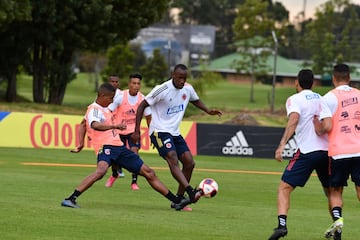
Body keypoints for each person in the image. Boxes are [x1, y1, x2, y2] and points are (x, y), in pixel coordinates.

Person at [61, 82, 188, 210]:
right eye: (110, 98)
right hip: (106, 147)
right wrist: (114, 126)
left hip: (119, 147)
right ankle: (71, 198)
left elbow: (83, 124)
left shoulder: (106, 109)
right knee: (101, 171)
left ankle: (176, 201)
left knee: (149, 173)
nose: (111, 101)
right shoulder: (94, 109)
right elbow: (94, 125)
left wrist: (81, 144)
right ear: (102, 96)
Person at [131, 64, 222, 210]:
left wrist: (207, 110)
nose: (182, 81)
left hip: (174, 132)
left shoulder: (188, 88)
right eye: (179, 78)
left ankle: (179, 200)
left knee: (189, 163)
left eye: (184, 78)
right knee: (172, 158)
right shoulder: (162, 89)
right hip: (158, 131)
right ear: (173, 75)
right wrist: (136, 131)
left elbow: (195, 99)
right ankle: (190, 191)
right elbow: (142, 105)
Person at [268, 69, 330, 240]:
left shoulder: (294, 99)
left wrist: (282, 145)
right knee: (332, 191)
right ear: (313, 83)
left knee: (284, 187)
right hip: (326, 152)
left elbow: (294, 119)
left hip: (307, 152)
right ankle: (337, 224)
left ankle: (281, 226)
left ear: (297, 82)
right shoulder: (321, 98)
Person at [313, 63, 360, 240]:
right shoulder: (359, 95)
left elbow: (327, 126)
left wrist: (317, 127)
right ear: (349, 78)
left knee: (335, 191)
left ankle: (338, 220)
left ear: (334, 79)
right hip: (359, 151)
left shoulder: (328, 98)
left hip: (339, 152)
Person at [71, 75, 125, 177]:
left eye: (116, 81)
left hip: (119, 128)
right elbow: (84, 123)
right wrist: (81, 143)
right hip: (108, 136)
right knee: (102, 170)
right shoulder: (98, 104)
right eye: (112, 81)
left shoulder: (122, 95)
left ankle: (117, 172)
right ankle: (115, 172)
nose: (114, 83)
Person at [105, 73, 152, 190]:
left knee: (134, 154)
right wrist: (110, 126)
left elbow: (149, 117)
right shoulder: (120, 97)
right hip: (119, 130)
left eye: (138, 84)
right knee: (115, 157)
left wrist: (152, 133)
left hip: (133, 132)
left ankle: (134, 182)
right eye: (134, 83)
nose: (136, 86)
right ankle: (114, 174)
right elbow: (108, 111)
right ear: (129, 84)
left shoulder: (143, 99)